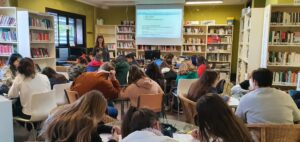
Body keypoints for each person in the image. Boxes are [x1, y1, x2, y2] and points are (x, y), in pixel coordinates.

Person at [40, 90, 119, 142]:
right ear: (97, 112)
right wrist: (114, 139)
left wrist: (110, 128)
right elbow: (92, 131)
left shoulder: (66, 114)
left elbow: (93, 128)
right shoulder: (88, 128)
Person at [235, 68, 300, 124]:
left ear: (255, 82)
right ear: (271, 81)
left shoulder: (245, 99)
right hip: (287, 138)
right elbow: (297, 117)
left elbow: (238, 121)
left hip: (256, 138)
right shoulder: (286, 96)